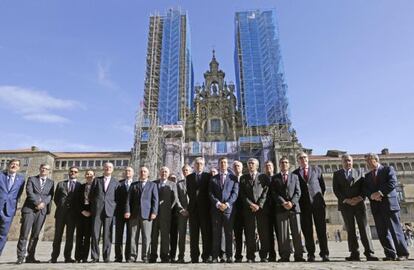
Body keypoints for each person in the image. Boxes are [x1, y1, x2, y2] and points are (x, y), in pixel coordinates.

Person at [363, 153, 409, 261]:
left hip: (389, 204)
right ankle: (389, 254)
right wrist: (371, 195)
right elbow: (366, 189)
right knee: (382, 232)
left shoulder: (388, 169)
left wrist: (379, 193)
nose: (368, 162)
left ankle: (402, 253)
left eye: (370, 159)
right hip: (376, 206)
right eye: (366, 161)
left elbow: (392, 183)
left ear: (376, 159)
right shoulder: (368, 176)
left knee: (395, 230)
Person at [333, 154, 378, 261]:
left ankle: (369, 252)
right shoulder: (337, 174)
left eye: (349, 161)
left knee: (364, 228)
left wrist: (359, 198)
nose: (347, 162)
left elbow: (364, 187)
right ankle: (354, 253)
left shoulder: (360, 172)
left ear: (352, 162)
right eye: (345, 161)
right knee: (350, 229)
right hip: (345, 205)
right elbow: (336, 190)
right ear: (342, 162)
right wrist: (346, 200)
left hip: (359, 204)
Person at [293, 152, 329, 262]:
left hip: (317, 204)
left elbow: (322, 187)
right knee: (307, 231)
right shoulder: (294, 173)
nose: (303, 159)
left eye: (304, 157)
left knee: (321, 230)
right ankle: (311, 254)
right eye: (300, 158)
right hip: (303, 205)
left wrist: (316, 198)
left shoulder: (317, 170)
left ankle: (324, 253)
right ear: (297, 160)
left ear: (307, 159)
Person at [16, 164, 55, 264]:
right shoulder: (32, 179)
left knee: (35, 235)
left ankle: (30, 257)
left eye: (46, 169)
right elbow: (29, 192)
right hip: (29, 209)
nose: (44, 170)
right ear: (39, 168)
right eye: (42, 168)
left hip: (42, 211)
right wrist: (37, 203)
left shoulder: (51, 182)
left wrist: (43, 204)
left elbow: (50, 195)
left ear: (49, 171)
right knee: (24, 233)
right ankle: (21, 256)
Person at [270, 156, 305, 262]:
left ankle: (299, 255)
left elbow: (298, 192)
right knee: (283, 233)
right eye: (282, 162)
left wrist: (292, 202)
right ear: (279, 165)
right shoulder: (275, 178)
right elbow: (274, 193)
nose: (284, 164)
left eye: (286, 162)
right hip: (281, 208)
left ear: (289, 164)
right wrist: (283, 202)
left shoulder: (295, 177)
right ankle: (285, 255)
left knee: (297, 232)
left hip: (294, 208)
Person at [124, 166, 158, 263]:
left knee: (146, 237)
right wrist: (127, 211)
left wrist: (154, 212)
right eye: (141, 171)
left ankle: (145, 256)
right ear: (139, 173)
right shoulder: (134, 185)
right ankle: (132, 256)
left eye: (145, 171)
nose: (143, 173)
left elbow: (155, 200)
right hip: (134, 215)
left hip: (147, 215)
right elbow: (128, 200)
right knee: (133, 236)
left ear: (148, 173)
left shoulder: (153, 185)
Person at [239, 158, 270, 263]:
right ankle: (250, 256)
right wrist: (250, 204)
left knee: (263, 233)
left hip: (261, 210)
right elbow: (242, 194)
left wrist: (259, 204)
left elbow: (266, 191)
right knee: (249, 234)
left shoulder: (263, 177)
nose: (250, 165)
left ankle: (263, 256)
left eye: (252, 163)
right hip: (248, 210)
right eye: (249, 163)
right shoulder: (243, 178)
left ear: (257, 165)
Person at [49, 166, 82, 263]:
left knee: (70, 237)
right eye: (71, 171)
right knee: (57, 236)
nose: (73, 173)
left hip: (73, 215)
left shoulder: (79, 186)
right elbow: (56, 198)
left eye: (75, 172)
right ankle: (54, 257)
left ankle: (67, 257)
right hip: (60, 214)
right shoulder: (61, 184)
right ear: (68, 172)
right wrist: (62, 206)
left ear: (77, 174)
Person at [209, 157, 239, 263]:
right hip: (216, 210)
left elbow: (235, 193)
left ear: (227, 164)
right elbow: (210, 193)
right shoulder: (213, 178)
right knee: (216, 233)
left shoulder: (233, 178)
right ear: (218, 164)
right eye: (221, 162)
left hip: (228, 210)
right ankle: (215, 257)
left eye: (225, 162)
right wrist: (218, 203)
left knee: (229, 234)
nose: (223, 164)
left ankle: (229, 256)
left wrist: (226, 204)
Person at [150, 166, 182, 263]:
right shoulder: (153, 183)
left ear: (168, 174)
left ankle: (164, 256)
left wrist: (169, 208)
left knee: (165, 237)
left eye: (166, 172)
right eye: (162, 171)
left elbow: (175, 199)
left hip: (166, 215)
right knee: (154, 236)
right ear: (160, 173)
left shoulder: (172, 184)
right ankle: (153, 256)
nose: (164, 173)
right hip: (154, 215)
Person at [89, 162, 119, 263]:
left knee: (108, 235)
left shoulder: (116, 182)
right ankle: (95, 257)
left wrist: (114, 208)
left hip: (109, 211)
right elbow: (91, 195)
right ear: (103, 168)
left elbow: (117, 198)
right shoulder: (97, 180)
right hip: (97, 211)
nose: (108, 168)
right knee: (95, 234)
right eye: (106, 167)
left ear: (112, 169)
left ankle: (106, 257)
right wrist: (94, 207)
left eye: (110, 167)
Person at [186, 157, 212, 263]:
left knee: (206, 234)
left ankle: (206, 256)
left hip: (205, 210)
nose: (199, 165)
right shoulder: (189, 177)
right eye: (197, 163)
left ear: (204, 165)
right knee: (194, 235)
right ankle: (194, 257)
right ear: (194, 165)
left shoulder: (208, 176)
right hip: (193, 210)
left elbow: (210, 192)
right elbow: (189, 192)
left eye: (201, 163)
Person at [0, 159, 25, 256]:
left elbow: (18, 194)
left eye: (16, 165)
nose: (14, 166)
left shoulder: (21, 179)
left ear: (19, 168)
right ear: (8, 165)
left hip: (9, 210)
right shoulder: (1, 175)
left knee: (3, 235)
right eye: (12, 164)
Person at [171, 166, 191, 263]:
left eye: (187, 170)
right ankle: (181, 256)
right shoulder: (179, 184)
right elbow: (176, 198)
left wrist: (190, 209)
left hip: (193, 212)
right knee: (181, 235)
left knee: (195, 235)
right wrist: (181, 209)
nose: (185, 172)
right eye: (184, 170)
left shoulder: (195, 182)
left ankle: (194, 256)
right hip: (182, 212)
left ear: (190, 171)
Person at [114, 167, 135, 262]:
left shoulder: (136, 184)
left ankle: (128, 257)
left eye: (129, 171)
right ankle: (118, 256)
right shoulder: (119, 184)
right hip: (119, 213)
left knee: (130, 236)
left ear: (133, 173)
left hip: (132, 214)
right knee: (118, 235)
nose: (127, 172)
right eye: (126, 171)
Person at [75, 170, 95, 263]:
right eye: (87, 174)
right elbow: (77, 201)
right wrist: (82, 211)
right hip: (81, 213)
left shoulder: (96, 187)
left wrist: (91, 212)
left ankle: (85, 257)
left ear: (94, 176)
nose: (89, 176)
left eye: (91, 174)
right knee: (79, 236)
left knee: (87, 237)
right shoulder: (81, 187)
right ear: (85, 176)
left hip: (91, 214)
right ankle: (77, 257)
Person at [262, 160, 277, 262]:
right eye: (266, 166)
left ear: (273, 167)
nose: (268, 167)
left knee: (280, 233)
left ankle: (284, 254)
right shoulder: (262, 178)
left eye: (270, 166)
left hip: (278, 208)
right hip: (266, 209)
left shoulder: (277, 177)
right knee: (268, 234)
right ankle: (271, 254)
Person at [232, 160, 244, 262]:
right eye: (235, 166)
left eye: (238, 166)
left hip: (247, 210)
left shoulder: (246, 178)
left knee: (249, 234)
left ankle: (250, 255)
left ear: (242, 168)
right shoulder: (230, 178)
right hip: (235, 211)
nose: (236, 168)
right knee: (237, 234)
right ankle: (238, 255)